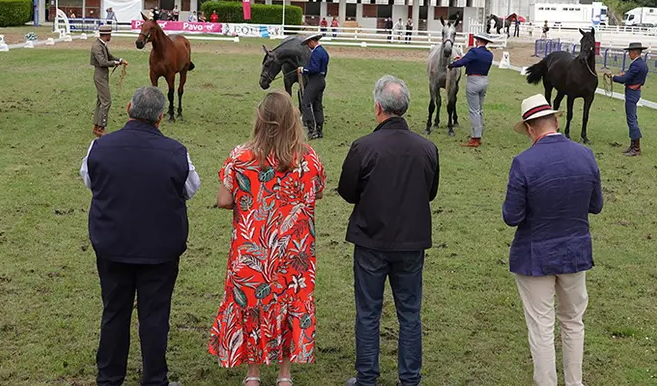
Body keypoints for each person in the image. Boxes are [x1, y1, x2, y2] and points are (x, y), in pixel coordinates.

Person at [81, 86, 200, 386]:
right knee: (155, 316)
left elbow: (91, 182)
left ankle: (109, 378)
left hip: (113, 244)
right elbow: (190, 189)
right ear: (161, 118)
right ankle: (154, 379)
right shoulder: (176, 152)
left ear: (127, 109)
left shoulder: (99, 147)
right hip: (159, 249)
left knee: (114, 311)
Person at [209, 91, 325, 386]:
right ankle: (285, 374)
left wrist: (250, 201)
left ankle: (253, 373)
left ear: (260, 119)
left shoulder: (241, 157)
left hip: (253, 248)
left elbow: (223, 201)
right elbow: (318, 192)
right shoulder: (308, 158)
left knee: (251, 305)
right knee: (290, 303)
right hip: (294, 251)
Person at [338, 75, 439, 386]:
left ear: (378, 107)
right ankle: (410, 379)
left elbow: (347, 190)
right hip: (411, 241)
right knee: (410, 313)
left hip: (371, 239)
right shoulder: (426, 148)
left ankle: (367, 378)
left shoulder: (364, 146)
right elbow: (430, 191)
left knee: (368, 312)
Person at [503, 93, 603, 386]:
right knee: (573, 321)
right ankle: (575, 382)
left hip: (535, 254)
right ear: (557, 120)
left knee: (541, 327)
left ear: (531, 128)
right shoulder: (585, 154)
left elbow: (512, 216)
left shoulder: (523, 162)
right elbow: (595, 205)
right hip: (574, 251)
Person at [448, 32, 496, 147]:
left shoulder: (473, 51)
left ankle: (475, 138)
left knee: (473, 110)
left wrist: (452, 65)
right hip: (484, 81)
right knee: (479, 109)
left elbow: (463, 62)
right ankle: (478, 134)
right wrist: (464, 60)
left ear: (478, 41)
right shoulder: (489, 54)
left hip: (473, 81)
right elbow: (472, 62)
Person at [609, 42, 649, 156]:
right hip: (635, 91)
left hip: (632, 92)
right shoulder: (642, 64)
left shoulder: (635, 65)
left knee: (631, 119)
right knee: (632, 118)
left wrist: (614, 77)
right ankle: (633, 145)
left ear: (633, 52)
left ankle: (636, 148)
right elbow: (632, 76)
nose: (628, 55)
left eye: (629, 52)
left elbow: (624, 79)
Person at [90, 25, 127, 138]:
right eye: (110, 35)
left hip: (103, 75)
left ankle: (96, 126)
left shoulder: (102, 45)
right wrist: (115, 63)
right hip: (100, 75)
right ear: (106, 35)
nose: (110, 36)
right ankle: (101, 127)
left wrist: (120, 60)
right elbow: (102, 62)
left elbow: (109, 56)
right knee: (106, 101)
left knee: (100, 101)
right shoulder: (97, 46)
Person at [296, 34, 329, 139]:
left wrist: (303, 70)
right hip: (321, 80)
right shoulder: (324, 52)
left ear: (311, 41)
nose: (308, 46)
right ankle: (319, 130)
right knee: (317, 105)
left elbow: (314, 68)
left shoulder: (316, 52)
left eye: (308, 43)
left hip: (314, 80)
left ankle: (311, 129)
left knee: (305, 103)